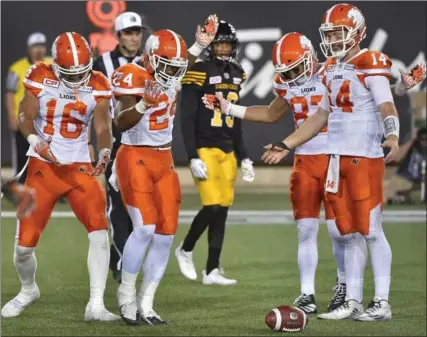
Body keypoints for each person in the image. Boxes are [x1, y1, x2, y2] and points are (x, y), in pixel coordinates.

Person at [203, 30, 425, 314]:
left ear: (310, 58)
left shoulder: (333, 71)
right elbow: (272, 113)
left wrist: (401, 90)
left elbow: (368, 97)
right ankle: (308, 293)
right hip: (306, 160)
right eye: (287, 71)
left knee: (341, 231)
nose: (293, 75)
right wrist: (230, 108)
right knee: (307, 229)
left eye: (296, 67)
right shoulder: (293, 81)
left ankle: (346, 288)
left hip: (336, 156)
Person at [1, 32, 119, 321]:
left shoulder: (100, 82)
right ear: (56, 66)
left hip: (79, 167)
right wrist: (33, 140)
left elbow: (103, 127)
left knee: (100, 232)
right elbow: (25, 116)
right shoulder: (39, 75)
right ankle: (28, 289)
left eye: (82, 72)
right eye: (70, 73)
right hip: (43, 167)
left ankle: (96, 304)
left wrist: (104, 151)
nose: (78, 79)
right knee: (23, 249)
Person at [110, 16, 219, 325]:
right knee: (143, 228)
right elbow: (120, 122)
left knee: (166, 234)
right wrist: (144, 103)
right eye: (166, 65)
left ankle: (147, 302)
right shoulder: (131, 74)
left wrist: (200, 44)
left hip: (164, 160)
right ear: (148, 58)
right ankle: (127, 296)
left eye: (176, 67)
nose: (172, 72)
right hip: (135, 156)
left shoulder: (172, 67)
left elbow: (182, 60)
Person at [174, 20, 254, 286]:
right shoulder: (198, 71)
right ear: (211, 46)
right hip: (205, 146)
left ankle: (212, 270)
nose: (222, 48)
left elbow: (237, 119)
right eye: (218, 43)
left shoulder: (237, 73)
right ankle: (185, 249)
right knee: (212, 205)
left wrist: (244, 156)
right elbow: (186, 117)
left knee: (222, 210)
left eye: (226, 43)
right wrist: (192, 155)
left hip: (227, 149)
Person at [92, 11, 146, 283]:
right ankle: (125, 263)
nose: (134, 37)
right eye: (129, 32)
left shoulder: (151, 62)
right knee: (118, 206)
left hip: (144, 143)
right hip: (116, 142)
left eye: (137, 32)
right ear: (117, 35)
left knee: (141, 208)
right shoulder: (101, 63)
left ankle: (119, 259)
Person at [5, 32, 52, 183]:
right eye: (35, 46)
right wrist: (12, 115)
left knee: (49, 154)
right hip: (24, 118)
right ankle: (20, 186)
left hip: (46, 119)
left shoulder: (52, 65)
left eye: (41, 46)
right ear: (29, 49)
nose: (38, 50)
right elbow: (9, 93)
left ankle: (49, 186)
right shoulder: (17, 68)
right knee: (22, 153)